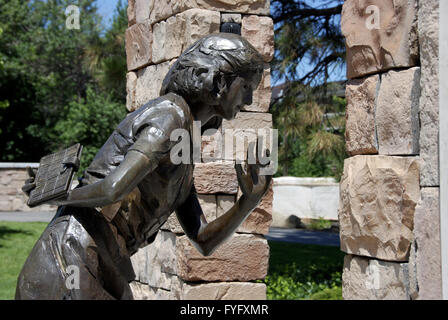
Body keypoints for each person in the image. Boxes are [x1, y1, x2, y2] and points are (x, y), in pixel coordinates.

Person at [16, 33, 271, 300]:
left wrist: (248, 202)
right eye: (246, 87)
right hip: (71, 255)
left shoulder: (184, 141)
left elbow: (203, 239)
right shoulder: (169, 117)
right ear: (219, 82)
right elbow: (113, 188)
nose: (250, 100)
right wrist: (59, 193)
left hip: (103, 259)